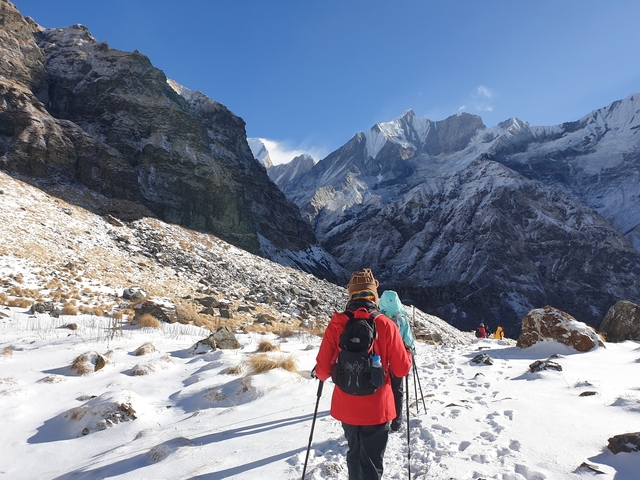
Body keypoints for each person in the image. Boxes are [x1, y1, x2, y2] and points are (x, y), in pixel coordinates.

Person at [315, 269, 412, 480]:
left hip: (346, 405)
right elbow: (401, 369)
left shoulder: (337, 324)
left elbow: (322, 371)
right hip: (377, 407)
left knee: (354, 454)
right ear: (374, 295)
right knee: (371, 462)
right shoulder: (386, 324)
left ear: (351, 295)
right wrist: (407, 352)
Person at [378, 290, 415, 432]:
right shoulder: (402, 320)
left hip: (381, 361)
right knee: (397, 391)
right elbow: (408, 341)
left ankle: (383, 418)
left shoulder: (379, 319)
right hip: (397, 361)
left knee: (382, 389)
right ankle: (397, 421)